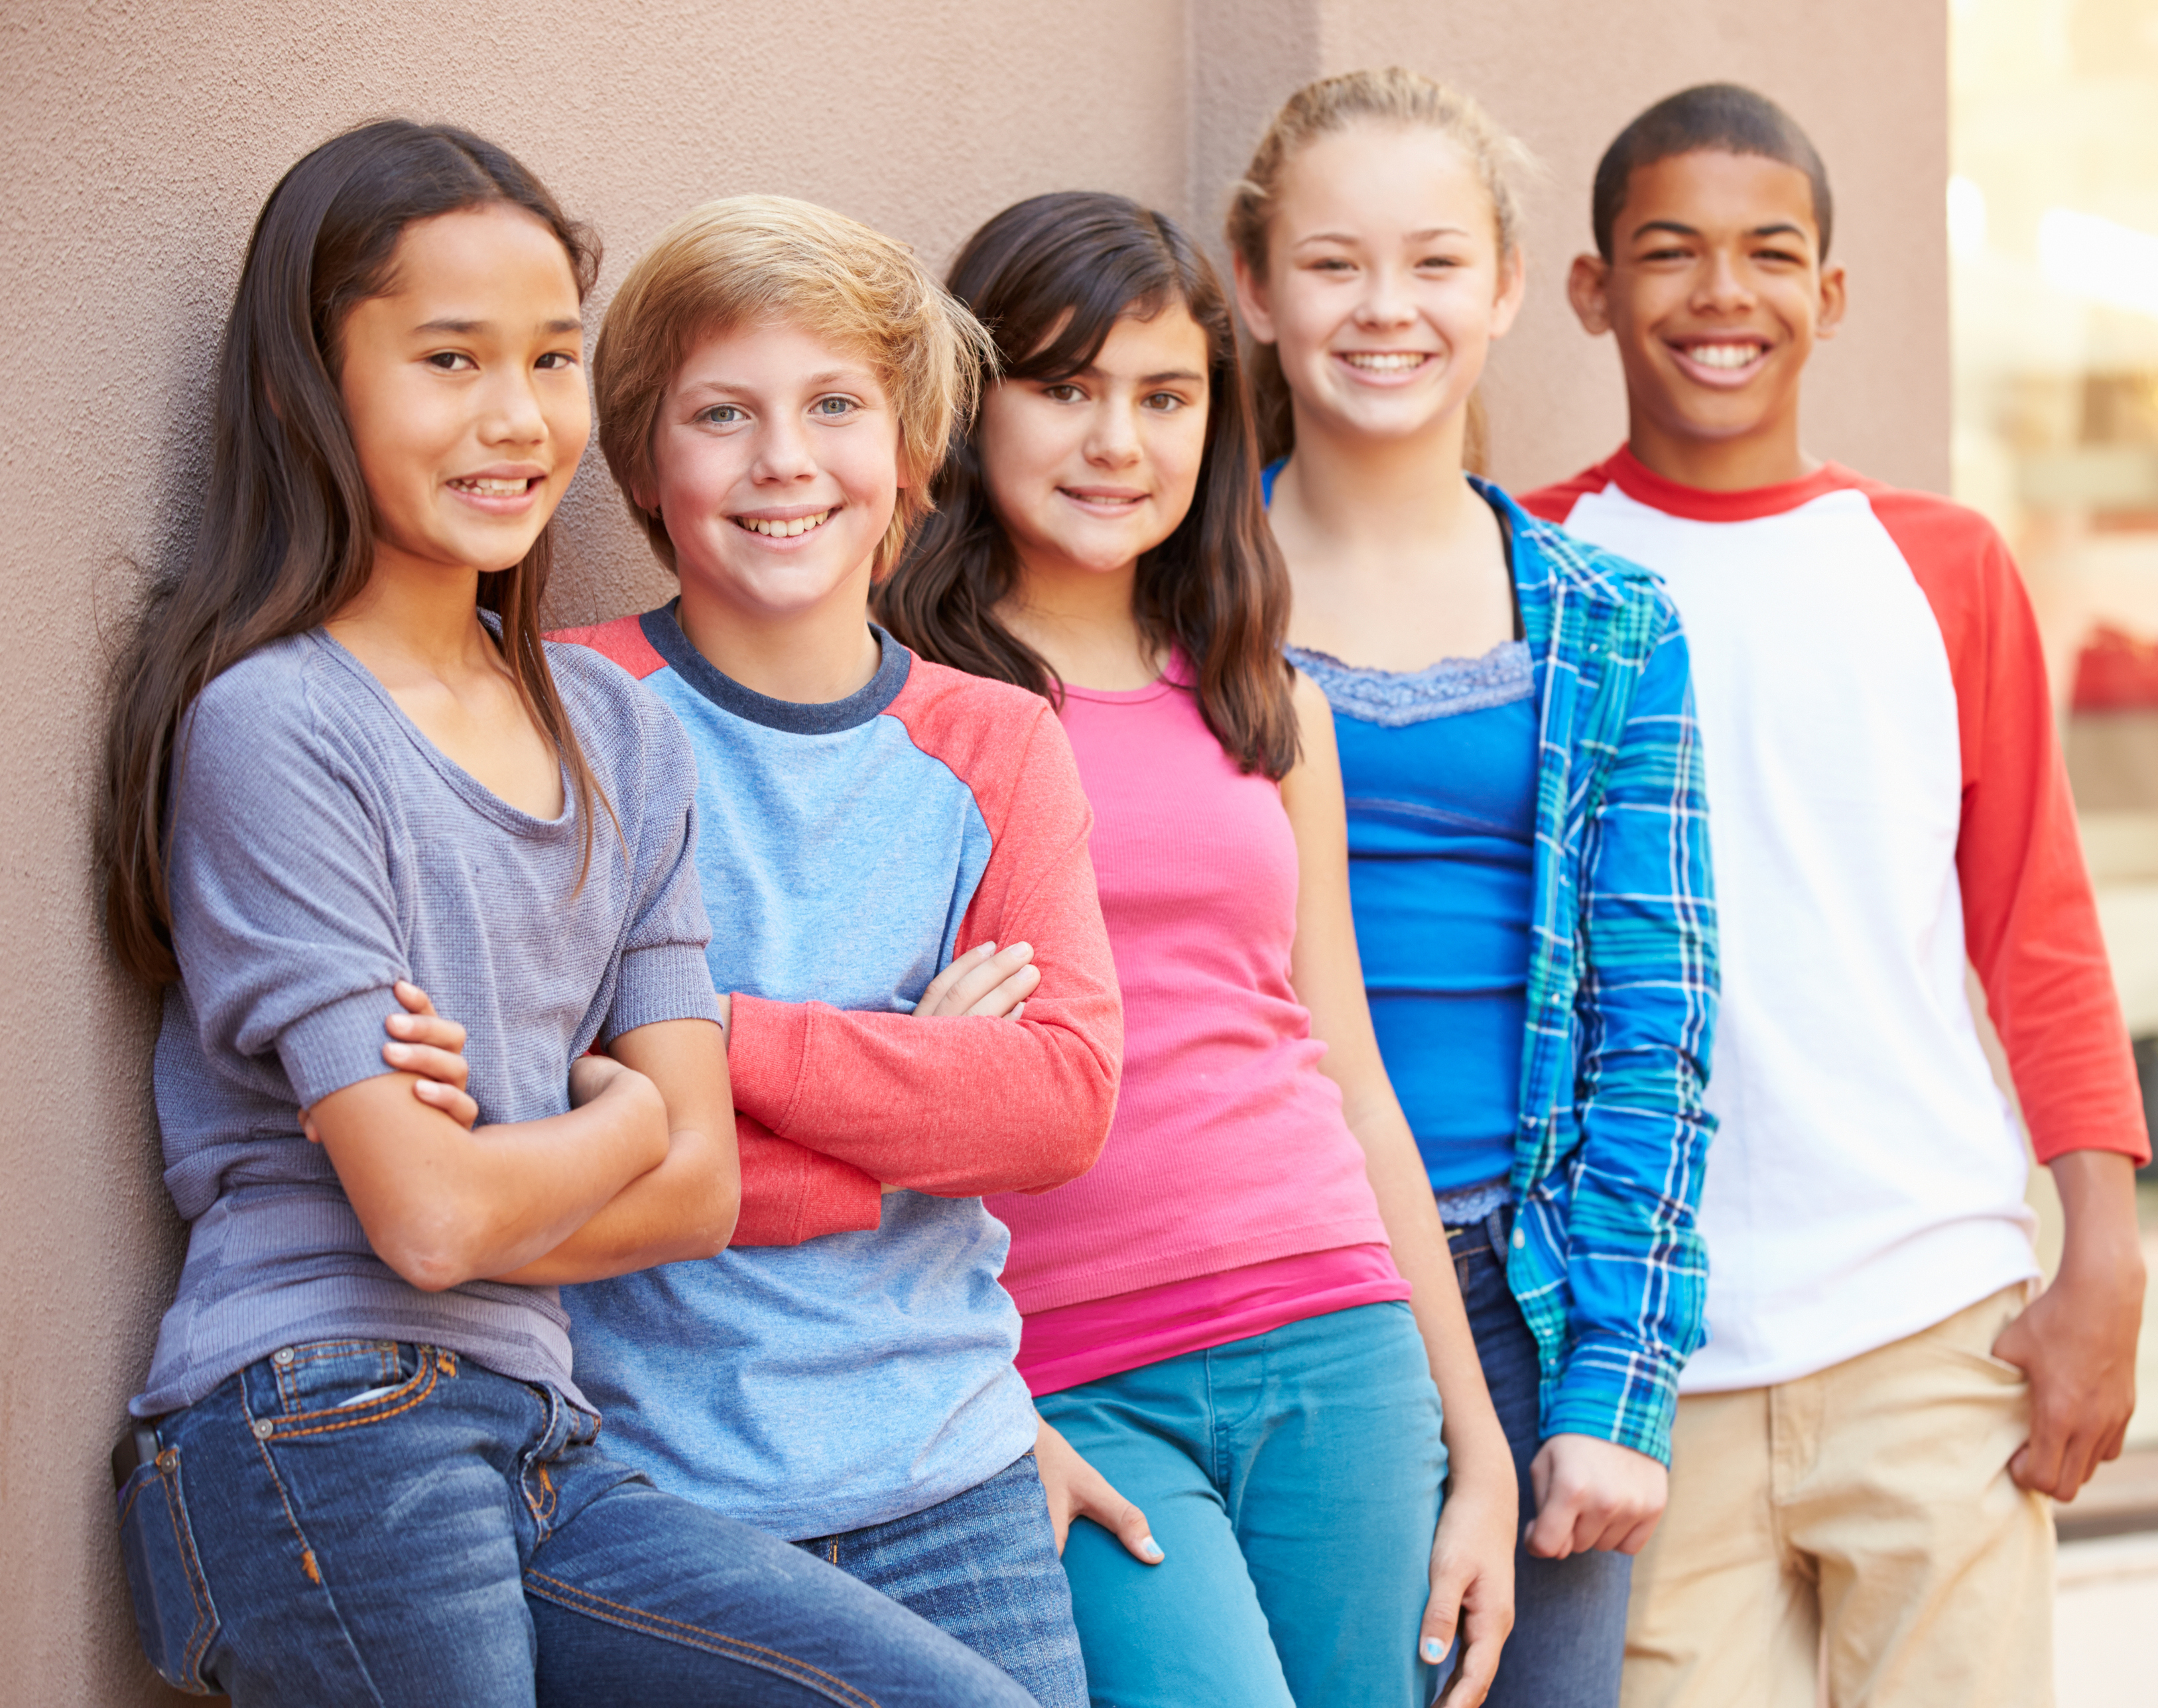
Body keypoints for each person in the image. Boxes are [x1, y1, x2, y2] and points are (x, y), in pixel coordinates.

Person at [99, 121, 1033, 1707]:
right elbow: (435, 1221)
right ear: (302, 387)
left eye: (547, 361)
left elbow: (700, 1188)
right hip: (317, 1412)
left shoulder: (613, 732)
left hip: (535, 1423)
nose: (515, 418)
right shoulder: (278, 725)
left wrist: (525, 1153)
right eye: (449, 360)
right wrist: (611, 1120)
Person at [1521, 83, 2152, 1708]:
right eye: (1669, 252)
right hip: (1644, 1357)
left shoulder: (1940, 564)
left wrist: (2105, 1255)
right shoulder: (1529, 562)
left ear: (1832, 293)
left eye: (1770, 253)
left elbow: (2041, 929)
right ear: (1594, 290)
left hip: (1930, 1320)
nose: (1723, 294)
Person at [878, 190, 1518, 1708]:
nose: (1118, 441)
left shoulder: (1267, 703)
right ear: (972, 404)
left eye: (1165, 397)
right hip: (1065, 1374)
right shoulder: (902, 705)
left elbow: (1350, 1075)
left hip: (1340, 1343)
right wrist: (983, 1405)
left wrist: (1477, 1441)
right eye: (1065, 387)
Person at [539, 195, 1119, 1708]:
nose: (782, 458)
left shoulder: (995, 740)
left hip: (955, 1480)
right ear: (649, 473)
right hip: (656, 1498)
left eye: (835, 406)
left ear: (911, 464)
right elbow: (541, 1121)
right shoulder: (570, 717)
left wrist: (705, 1043)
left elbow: (1056, 1103)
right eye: (721, 413)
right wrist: (912, 1102)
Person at [1224, 66, 1718, 1708]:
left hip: (1530, 1298)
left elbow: (1662, 1017)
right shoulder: (1171, 612)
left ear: (1507, 286)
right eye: (1335, 262)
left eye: (1436, 262)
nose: (1387, 310)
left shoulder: (1611, 620)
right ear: (1255, 284)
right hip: (1270, 1287)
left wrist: (1619, 1387)